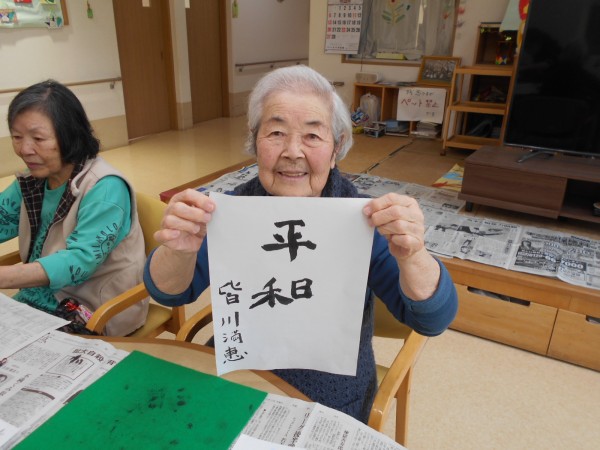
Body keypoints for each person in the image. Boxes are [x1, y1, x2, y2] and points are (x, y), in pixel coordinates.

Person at [143, 65, 458, 423]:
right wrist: (178, 250)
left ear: (336, 148)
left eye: (312, 136)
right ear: (255, 142)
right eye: (276, 132)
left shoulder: (362, 220)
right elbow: (168, 293)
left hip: (330, 393)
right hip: (238, 380)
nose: (292, 152)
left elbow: (433, 319)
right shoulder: (230, 211)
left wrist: (413, 255)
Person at [0, 80, 148, 336]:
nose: (24, 150)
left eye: (38, 138)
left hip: (92, 309)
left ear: (69, 134)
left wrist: (5, 276)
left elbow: (79, 261)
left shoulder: (105, 187)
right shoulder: (33, 179)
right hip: (38, 299)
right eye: (16, 137)